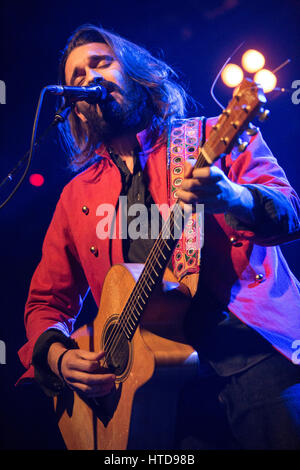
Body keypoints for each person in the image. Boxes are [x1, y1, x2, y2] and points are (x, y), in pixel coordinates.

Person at [18, 23, 300, 450]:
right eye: (76, 76)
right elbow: (46, 301)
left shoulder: (211, 137)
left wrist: (234, 197)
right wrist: (58, 356)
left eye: (101, 63)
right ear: (75, 107)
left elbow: (290, 213)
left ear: (136, 73)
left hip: (251, 353)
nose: (89, 78)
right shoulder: (76, 196)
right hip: (153, 389)